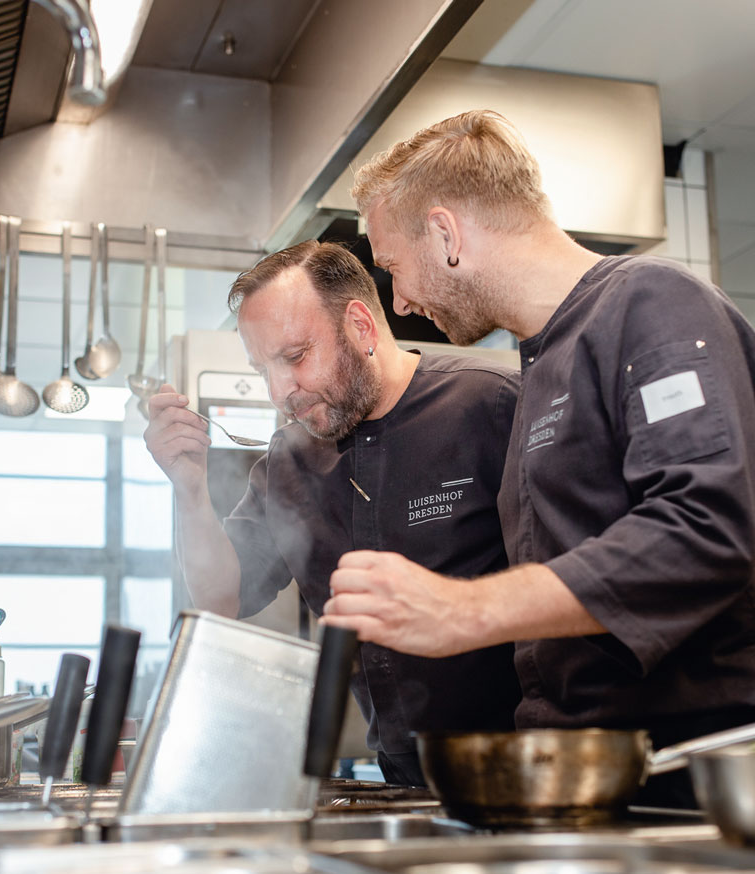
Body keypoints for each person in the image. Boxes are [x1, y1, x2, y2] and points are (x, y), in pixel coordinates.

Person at [322, 109, 755, 806]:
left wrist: (466, 610)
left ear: (445, 234)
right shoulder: (538, 365)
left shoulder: (653, 304)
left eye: (395, 269)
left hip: (686, 771)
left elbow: (704, 531)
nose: (399, 299)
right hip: (586, 768)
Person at [144, 240, 522, 786]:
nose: (279, 392)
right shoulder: (289, 462)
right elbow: (220, 599)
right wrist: (189, 490)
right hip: (403, 780)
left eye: (295, 357)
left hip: (529, 769)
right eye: (262, 368)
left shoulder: (490, 408)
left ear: (361, 326)